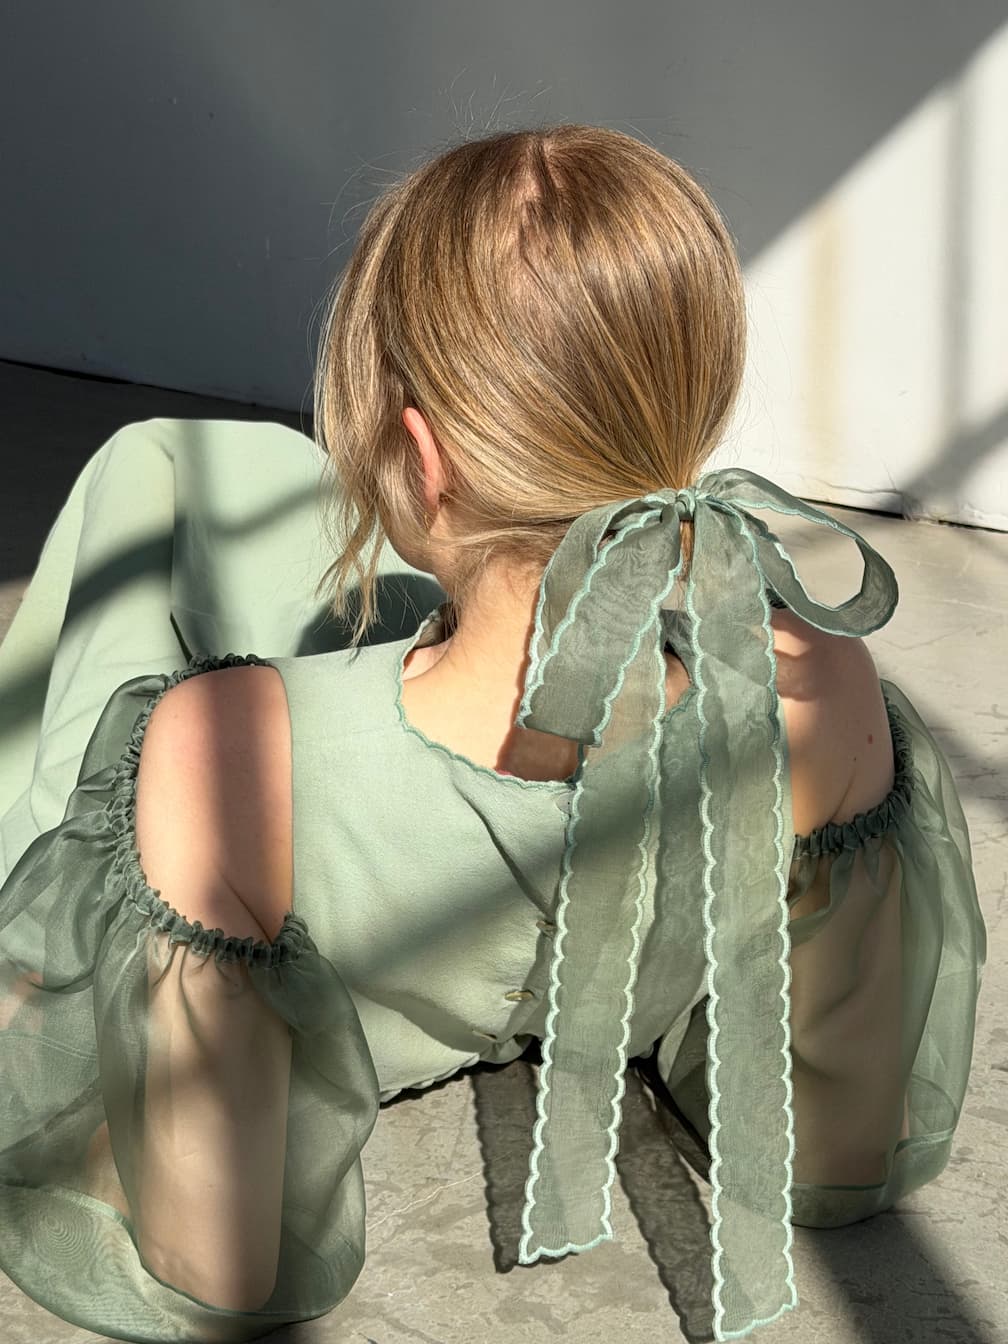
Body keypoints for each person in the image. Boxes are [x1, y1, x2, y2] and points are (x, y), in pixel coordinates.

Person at [0, 123, 985, 1344]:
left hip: (290, 759)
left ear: (422, 457)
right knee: (236, 481)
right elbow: (834, 1148)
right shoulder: (814, 687)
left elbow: (218, 1265)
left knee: (146, 481)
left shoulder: (224, 753)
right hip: (495, 670)